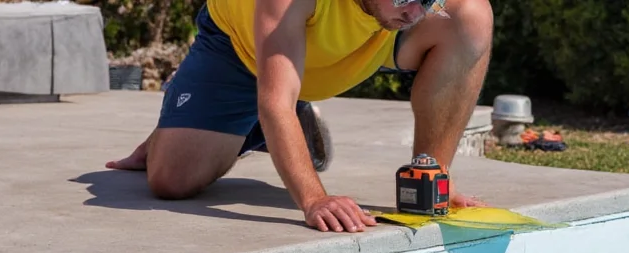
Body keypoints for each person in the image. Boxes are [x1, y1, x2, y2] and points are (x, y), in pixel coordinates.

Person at [106, 0, 493, 233]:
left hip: (352, 49)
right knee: (171, 179)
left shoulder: (407, 10)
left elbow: (426, 11)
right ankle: (187, 128)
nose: (415, 12)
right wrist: (314, 200)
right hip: (243, 54)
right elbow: (275, 100)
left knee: (470, 14)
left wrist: (435, 178)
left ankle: (430, 176)